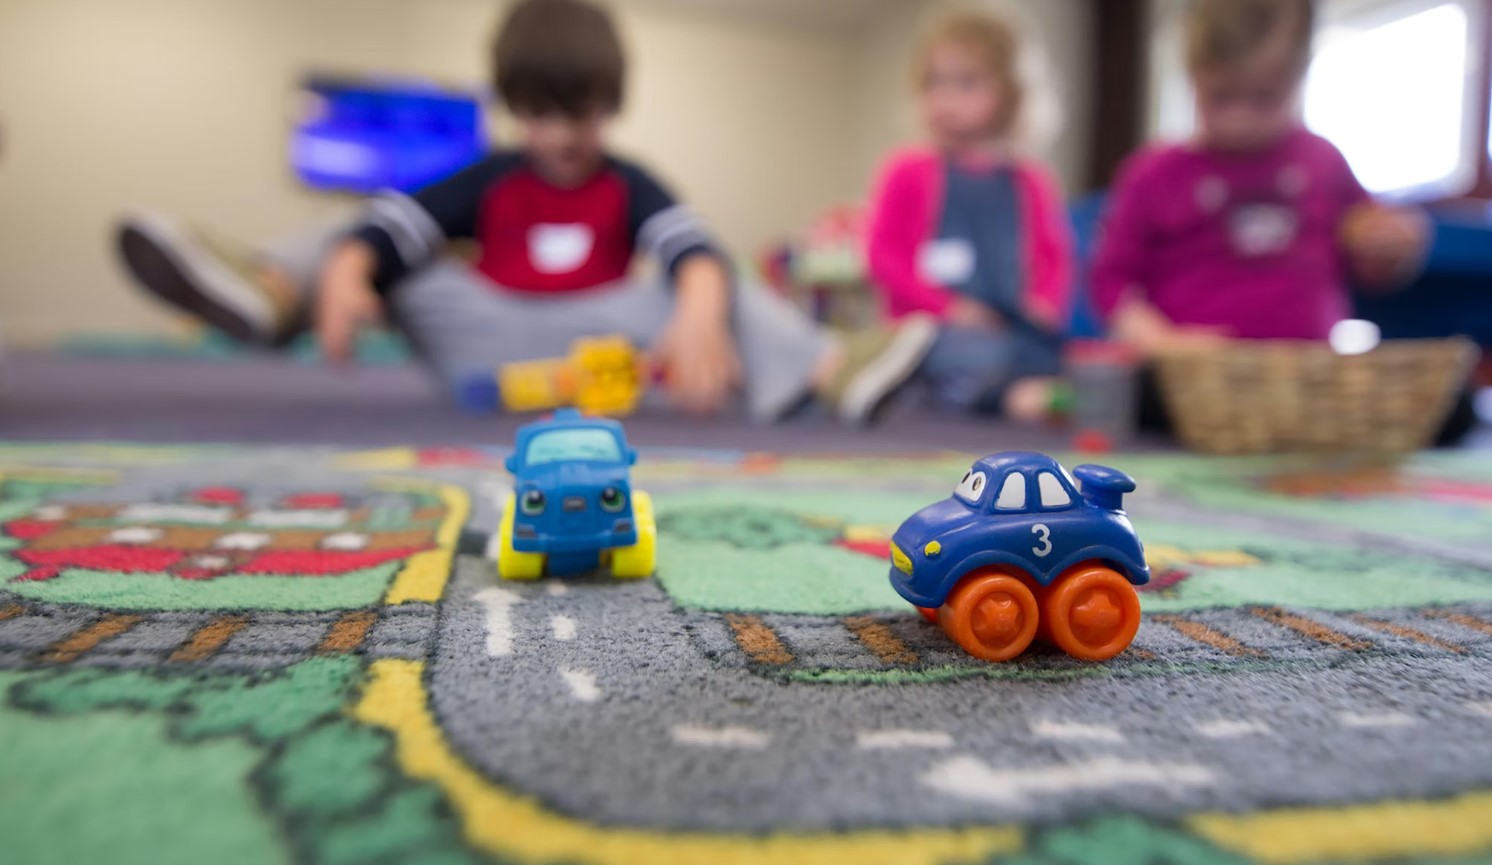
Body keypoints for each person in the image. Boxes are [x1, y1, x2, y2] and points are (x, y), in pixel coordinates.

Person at [116, 0, 936, 425]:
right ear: (513, 107)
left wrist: (698, 309)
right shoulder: (490, 175)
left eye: (581, 114)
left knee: (708, 276)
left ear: (611, 105)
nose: (562, 136)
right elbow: (393, 228)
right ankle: (268, 290)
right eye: (540, 114)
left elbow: (689, 248)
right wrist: (349, 267)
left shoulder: (628, 180)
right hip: (480, 340)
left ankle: (832, 370)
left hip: (597, 346)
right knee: (365, 230)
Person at [1091, 0, 1459, 423]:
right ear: (1192, 81)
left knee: (1450, 407)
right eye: (1220, 98)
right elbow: (1112, 282)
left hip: (1307, 380)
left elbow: (1372, 266)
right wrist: (1162, 342)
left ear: (1298, 80)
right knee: (1124, 399)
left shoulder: (1323, 161)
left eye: (1264, 98)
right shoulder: (1154, 172)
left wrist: (1395, 246)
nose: (1240, 118)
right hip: (1192, 385)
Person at [863, 9, 1073, 420]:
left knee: (1046, 351)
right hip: (929, 329)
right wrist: (951, 310)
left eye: (966, 83)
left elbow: (1052, 258)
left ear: (1009, 93)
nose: (945, 99)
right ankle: (989, 394)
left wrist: (1043, 304)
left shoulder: (1029, 181)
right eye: (934, 82)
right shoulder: (908, 170)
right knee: (947, 351)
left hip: (1004, 326)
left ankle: (987, 390)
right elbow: (883, 258)